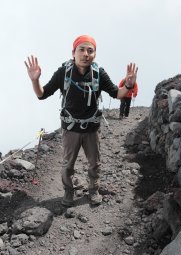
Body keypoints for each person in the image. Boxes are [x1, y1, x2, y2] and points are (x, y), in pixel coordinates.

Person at [24, 35, 138, 207]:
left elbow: (117, 94)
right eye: (82, 50)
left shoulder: (98, 74)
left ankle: (93, 189)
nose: (86, 54)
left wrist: (128, 86)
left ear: (94, 54)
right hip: (71, 129)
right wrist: (35, 80)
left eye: (90, 50)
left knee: (94, 163)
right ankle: (69, 191)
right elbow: (42, 94)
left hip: (92, 129)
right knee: (68, 164)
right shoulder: (64, 72)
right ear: (73, 52)